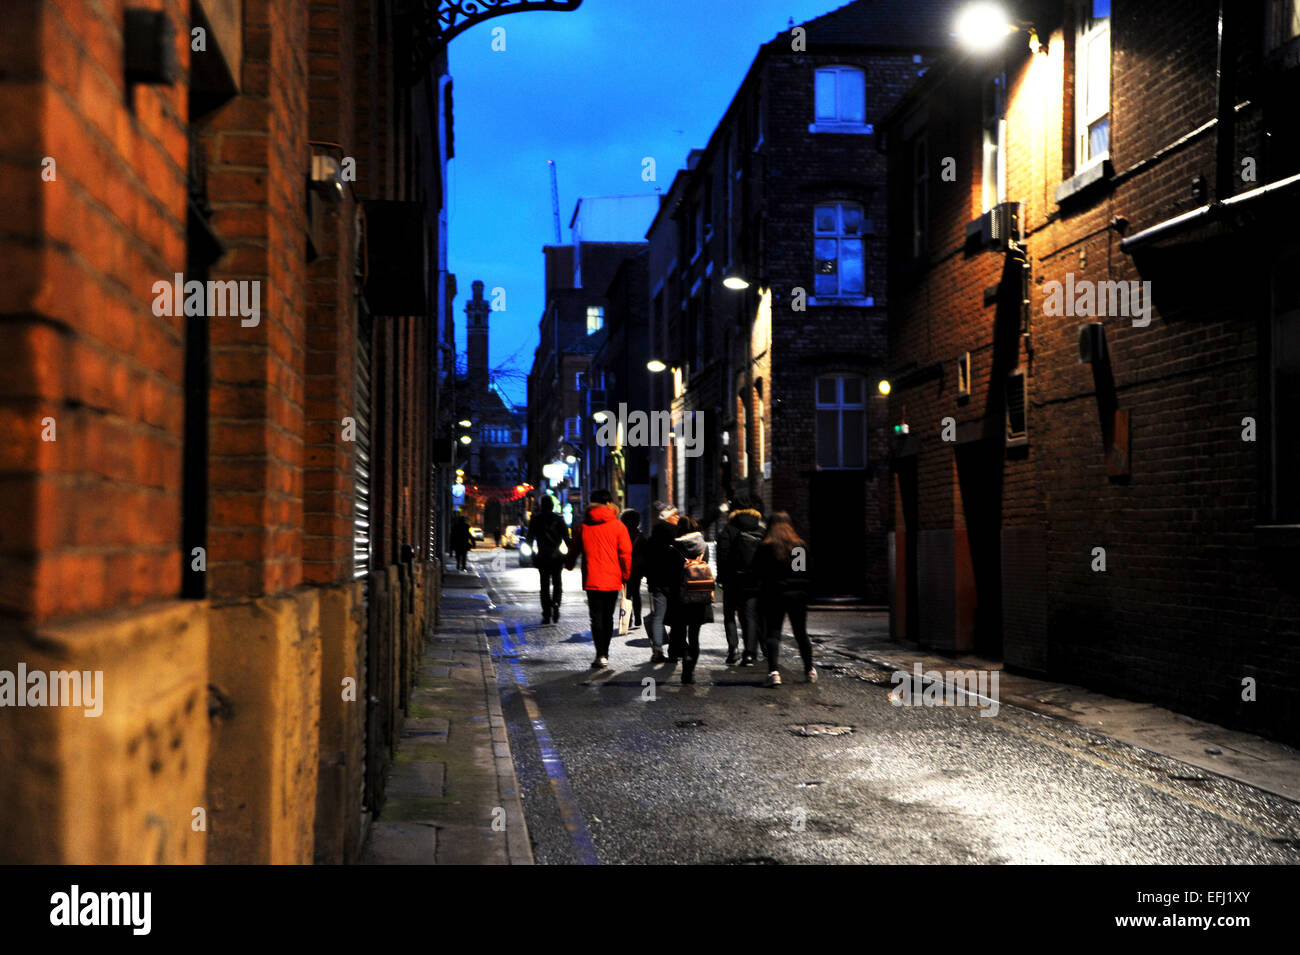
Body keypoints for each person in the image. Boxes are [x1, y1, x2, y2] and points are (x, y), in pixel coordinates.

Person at [565, 489, 632, 669]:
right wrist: (626, 575)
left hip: (592, 579)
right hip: (612, 579)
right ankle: (605, 653)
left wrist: (569, 564)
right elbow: (625, 553)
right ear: (609, 504)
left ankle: (599, 654)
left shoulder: (583, 527)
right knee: (608, 617)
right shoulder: (618, 526)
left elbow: (573, 549)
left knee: (596, 618)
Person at [752, 511, 815, 687]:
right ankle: (809, 670)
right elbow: (801, 570)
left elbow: (757, 571)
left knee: (773, 632)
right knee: (800, 632)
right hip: (796, 594)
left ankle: (774, 672)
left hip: (773, 593)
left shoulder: (766, 546)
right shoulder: (798, 546)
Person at [715, 493, 765, 666]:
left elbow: (722, 554)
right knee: (750, 616)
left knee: (729, 614)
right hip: (753, 580)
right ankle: (750, 654)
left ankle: (733, 650)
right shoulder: (760, 528)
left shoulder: (728, 529)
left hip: (731, 580)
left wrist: (721, 577)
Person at [664, 515, 714, 684]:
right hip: (699, 594)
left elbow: (670, 574)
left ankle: (684, 656)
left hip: (680, 597)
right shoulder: (703, 546)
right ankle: (689, 672)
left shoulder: (674, 547)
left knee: (678, 633)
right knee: (694, 636)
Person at [526, 496, 570, 625]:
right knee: (557, 583)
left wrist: (533, 555)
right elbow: (567, 540)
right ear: (552, 506)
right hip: (557, 557)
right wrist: (569, 556)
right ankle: (556, 603)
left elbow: (529, 539)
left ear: (541, 505)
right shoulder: (559, 520)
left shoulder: (535, 520)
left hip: (543, 557)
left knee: (544, 586)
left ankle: (546, 613)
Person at [644, 505, 679, 663]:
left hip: (658, 583)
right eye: (675, 515)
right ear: (669, 518)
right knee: (676, 617)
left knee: (658, 616)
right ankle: (675, 649)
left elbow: (647, 562)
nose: (678, 517)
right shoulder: (677, 536)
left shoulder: (652, 538)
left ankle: (657, 650)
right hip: (674, 582)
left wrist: (650, 581)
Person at [619, 508, 647, 630]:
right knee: (636, 593)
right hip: (638, 569)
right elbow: (646, 554)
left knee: (626, 594)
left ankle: (627, 620)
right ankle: (638, 617)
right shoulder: (641, 536)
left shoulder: (621, 535)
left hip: (625, 567)